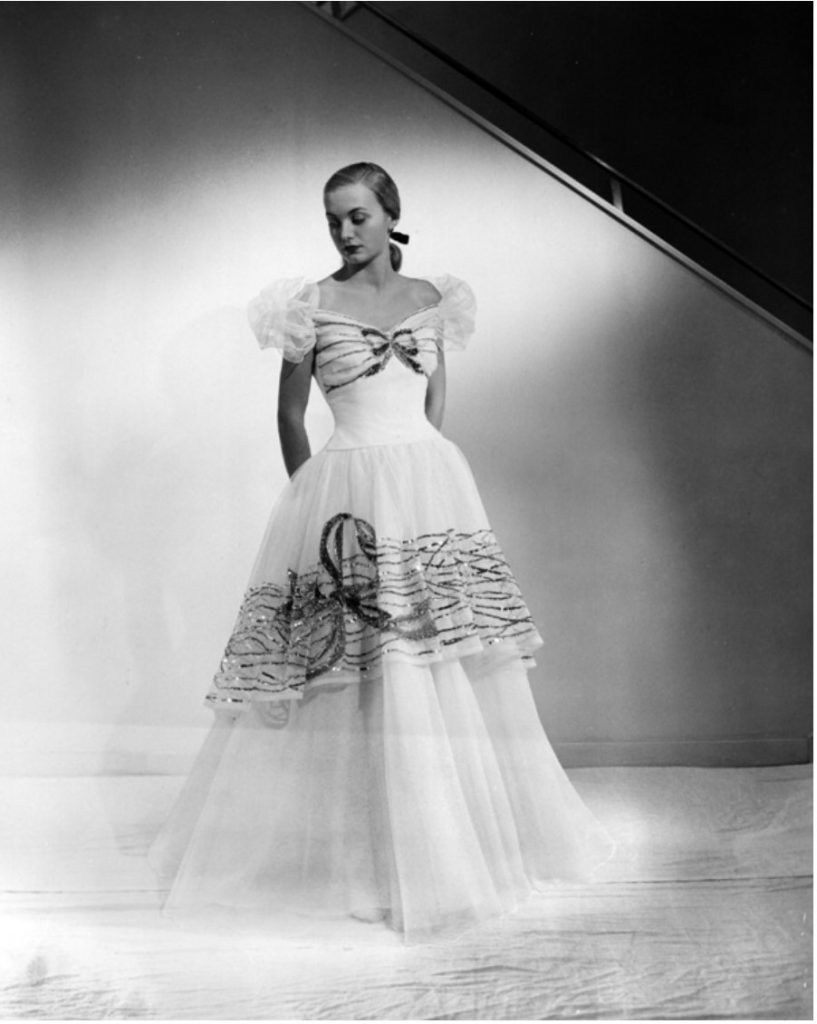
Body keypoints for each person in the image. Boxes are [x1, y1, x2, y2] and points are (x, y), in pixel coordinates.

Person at [149, 162, 614, 943]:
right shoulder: (307, 307)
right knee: (358, 670)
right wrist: (315, 499)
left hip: (427, 483)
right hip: (347, 487)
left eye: (357, 216)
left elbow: (434, 399)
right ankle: (363, 861)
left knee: (441, 660)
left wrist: (424, 452)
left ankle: (449, 850)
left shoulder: (432, 300)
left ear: (389, 213)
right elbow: (290, 417)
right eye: (332, 219)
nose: (343, 231)